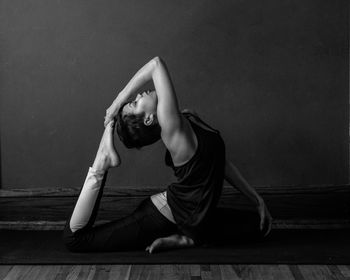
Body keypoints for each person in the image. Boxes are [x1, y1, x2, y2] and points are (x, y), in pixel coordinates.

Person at [62, 57, 272, 254]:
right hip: (161, 215)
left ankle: (189, 237)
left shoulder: (188, 116)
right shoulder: (172, 130)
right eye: (135, 104)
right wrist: (117, 103)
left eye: (133, 100)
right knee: (76, 240)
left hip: (197, 215)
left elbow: (220, 164)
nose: (139, 95)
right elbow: (156, 64)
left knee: (259, 225)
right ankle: (102, 162)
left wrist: (256, 199)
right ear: (149, 119)